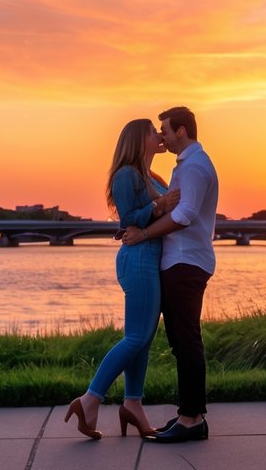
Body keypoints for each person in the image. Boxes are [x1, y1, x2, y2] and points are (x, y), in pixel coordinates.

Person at [65, 119, 179, 440]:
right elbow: (128, 219)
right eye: (152, 131)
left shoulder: (153, 176)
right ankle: (90, 399)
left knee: (141, 338)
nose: (159, 135)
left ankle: (133, 404)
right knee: (136, 338)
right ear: (137, 139)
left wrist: (165, 203)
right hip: (138, 258)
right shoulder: (126, 175)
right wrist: (160, 204)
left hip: (150, 259)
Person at [123, 106, 218, 444]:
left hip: (185, 262)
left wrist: (145, 234)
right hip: (182, 261)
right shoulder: (188, 165)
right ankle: (189, 415)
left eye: (165, 130)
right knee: (182, 341)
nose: (161, 136)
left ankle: (191, 419)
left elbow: (187, 214)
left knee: (186, 340)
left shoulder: (194, 165)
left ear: (181, 131)